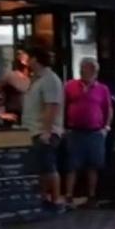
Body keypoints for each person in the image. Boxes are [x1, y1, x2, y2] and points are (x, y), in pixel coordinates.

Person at [21, 46, 65, 212]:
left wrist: (47, 131)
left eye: (29, 58)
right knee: (40, 167)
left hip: (44, 131)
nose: (26, 62)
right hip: (32, 130)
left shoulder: (50, 79)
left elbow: (51, 106)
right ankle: (44, 198)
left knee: (48, 166)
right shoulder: (36, 80)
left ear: (35, 59)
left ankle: (55, 200)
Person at [64, 57, 112, 208]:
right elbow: (63, 106)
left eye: (88, 69)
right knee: (71, 165)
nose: (84, 71)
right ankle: (69, 196)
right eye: (83, 68)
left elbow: (108, 109)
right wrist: (63, 127)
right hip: (75, 131)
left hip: (95, 132)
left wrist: (106, 127)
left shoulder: (102, 89)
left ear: (95, 71)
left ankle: (91, 196)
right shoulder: (70, 86)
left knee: (93, 165)